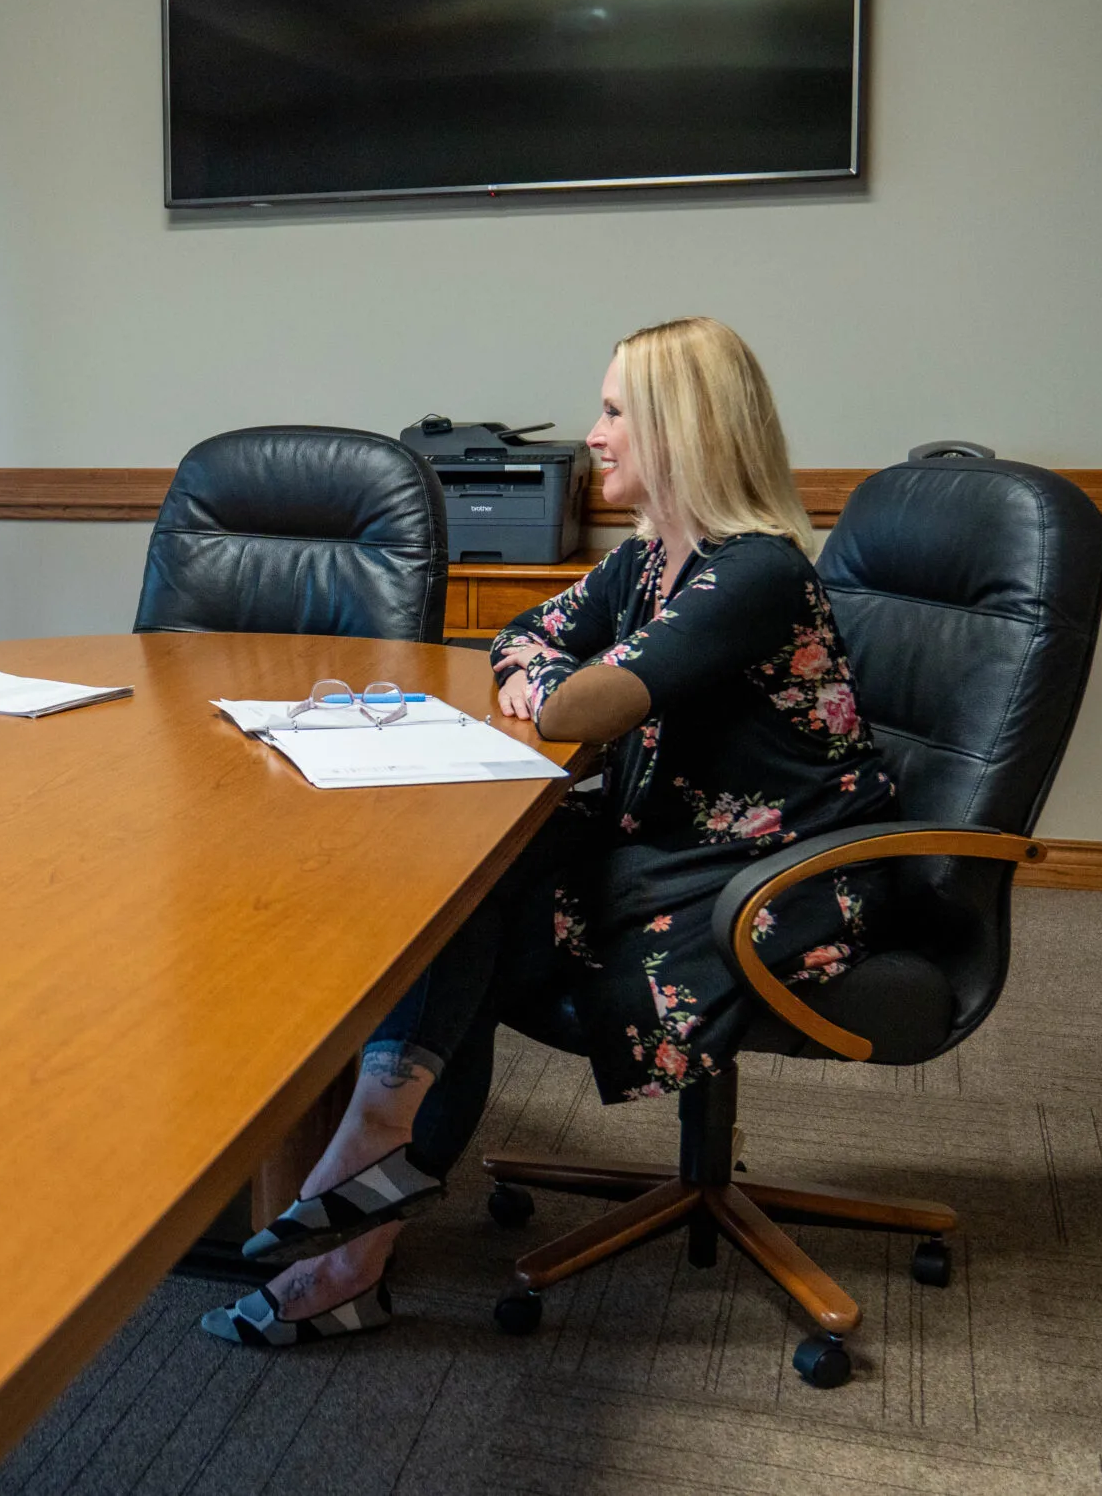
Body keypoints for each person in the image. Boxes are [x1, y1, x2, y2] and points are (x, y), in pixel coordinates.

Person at [203, 316, 898, 1349]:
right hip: (667, 839)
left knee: (483, 903)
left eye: (615, 411)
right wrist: (540, 672)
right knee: (464, 889)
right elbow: (521, 638)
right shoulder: (656, 563)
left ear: (680, 428)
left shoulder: (752, 573)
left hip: (772, 874)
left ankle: (363, 1189)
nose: (596, 434)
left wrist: (551, 684)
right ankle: (371, 1189)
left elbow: (585, 710)